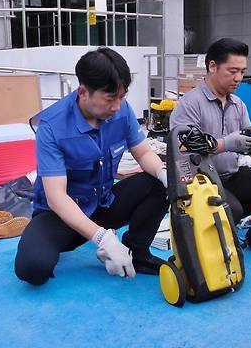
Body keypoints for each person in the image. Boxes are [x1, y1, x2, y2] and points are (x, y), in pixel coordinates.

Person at [15, 48, 169, 285]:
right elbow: (56, 198)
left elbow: (143, 152)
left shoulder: (122, 111)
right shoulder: (51, 128)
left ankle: (136, 252)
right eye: (110, 98)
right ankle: (98, 243)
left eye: (122, 96)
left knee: (156, 183)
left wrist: (163, 174)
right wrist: (102, 239)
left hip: (104, 203)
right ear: (83, 92)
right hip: (62, 216)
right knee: (31, 268)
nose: (118, 106)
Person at [169, 38, 251, 223]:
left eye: (242, 72)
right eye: (233, 71)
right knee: (230, 210)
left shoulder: (238, 104)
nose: (239, 78)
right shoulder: (190, 104)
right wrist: (226, 144)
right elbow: (184, 149)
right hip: (202, 181)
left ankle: (240, 223)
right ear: (212, 66)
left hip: (233, 175)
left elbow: (249, 141)